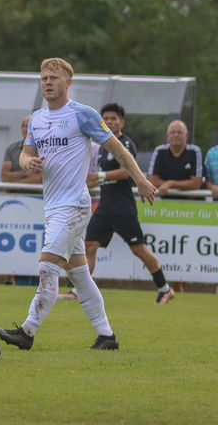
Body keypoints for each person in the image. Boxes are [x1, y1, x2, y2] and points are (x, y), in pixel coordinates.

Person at [0, 58, 156, 352]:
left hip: (75, 205)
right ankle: (106, 336)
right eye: (44, 78)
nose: (48, 82)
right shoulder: (38, 119)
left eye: (54, 77)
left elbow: (118, 150)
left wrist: (141, 180)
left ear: (68, 82)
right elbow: (24, 154)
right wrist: (29, 162)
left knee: (46, 266)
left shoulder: (82, 114)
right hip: (53, 206)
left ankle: (28, 331)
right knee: (79, 275)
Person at [77, 103, 175, 304]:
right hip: (105, 207)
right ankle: (80, 291)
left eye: (114, 118)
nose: (110, 122)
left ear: (122, 122)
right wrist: (88, 180)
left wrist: (100, 175)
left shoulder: (126, 144)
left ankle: (165, 288)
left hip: (123, 207)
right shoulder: (103, 147)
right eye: (106, 118)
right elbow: (100, 177)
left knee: (139, 250)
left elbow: (127, 170)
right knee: (89, 247)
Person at [146, 120, 204, 197]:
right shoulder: (159, 151)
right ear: (167, 136)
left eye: (180, 132)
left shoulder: (195, 151)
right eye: (173, 132)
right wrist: (184, 184)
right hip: (163, 203)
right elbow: (152, 181)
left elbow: (196, 184)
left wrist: (170, 183)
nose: (176, 135)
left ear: (186, 135)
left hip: (189, 203)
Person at [1, 116, 42, 184]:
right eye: (24, 126)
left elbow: (39, 180)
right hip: (16, 194)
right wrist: (25, 174)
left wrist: (12, 186)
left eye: (30, 126)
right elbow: (4, 177)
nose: (27, 129)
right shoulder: (11, 149)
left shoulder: (45, 148)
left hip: (38, 194)